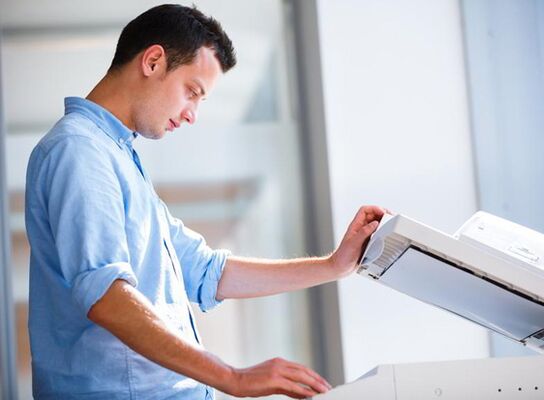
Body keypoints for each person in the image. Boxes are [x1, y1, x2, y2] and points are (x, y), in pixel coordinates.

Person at [25, 4, 385, 399]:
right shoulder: (80, 150)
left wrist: (333, 266)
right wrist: (232, 377)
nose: (192, 114)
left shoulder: (118, 158)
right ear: (153, 61)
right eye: (192, 92)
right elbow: (106, 297)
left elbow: (206, 272)